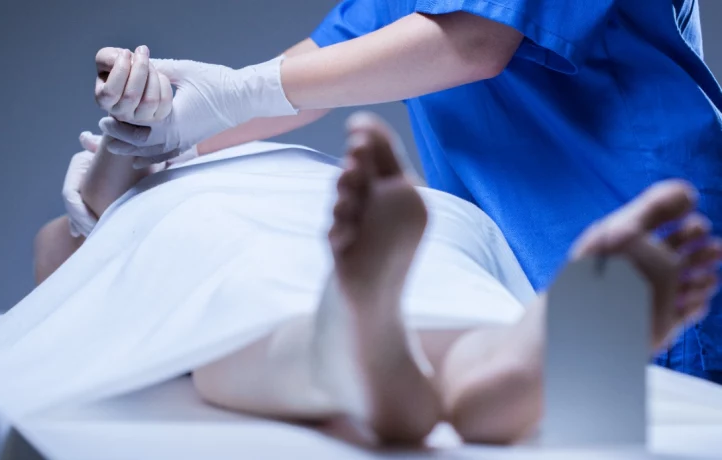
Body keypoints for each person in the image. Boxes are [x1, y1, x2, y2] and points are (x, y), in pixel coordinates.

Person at [92, 0, 722, 383]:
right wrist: (155, 134)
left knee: (615, 419)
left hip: (641, 221)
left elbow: (474, 39)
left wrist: (238, 93)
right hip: (524, 269)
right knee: (513, 401)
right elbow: (311, 76)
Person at [24, 108, 719, 445]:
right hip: (420, 222)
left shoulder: (186, 188)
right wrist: (110, 166)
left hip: (233, 225)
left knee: (251, 301)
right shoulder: (335, 174)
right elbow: (63, 251)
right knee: (444, 292)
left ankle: (348, 352)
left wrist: (112, 179)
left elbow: (68, 290)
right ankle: (500, 358)